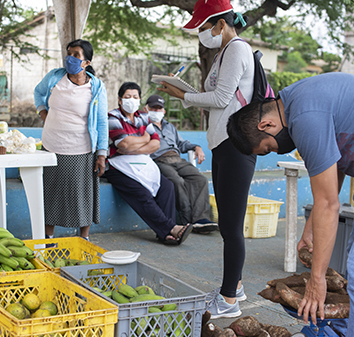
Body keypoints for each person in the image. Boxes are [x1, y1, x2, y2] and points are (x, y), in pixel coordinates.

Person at [226, 72, 354, 337]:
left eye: (268, 147)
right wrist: (310, 229)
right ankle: (344, 332)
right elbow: (333, 166)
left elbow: (329, 204)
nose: (275, 150)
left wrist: (317, 280)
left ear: (266, 124)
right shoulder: (294, 102)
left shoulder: (305, 117)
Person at [157, 0, 253, 317]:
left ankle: (228, 301)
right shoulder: (224, 52)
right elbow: (219, 96)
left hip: (236, 145)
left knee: (231, 226)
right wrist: (183, 91)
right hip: (222, 144)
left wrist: (181, 95)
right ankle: (235, 286)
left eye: (204, 27)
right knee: (227, 223)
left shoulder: (236, 49)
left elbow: (221, 98)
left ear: (221, 24)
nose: (201, 33)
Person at [34, 39, 108, 241]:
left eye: (76, 55)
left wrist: (101, 154)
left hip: (81, 150)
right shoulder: (55, 77)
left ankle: (83, 239)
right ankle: (48, 238)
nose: (70, 58)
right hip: (51, 147)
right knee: (51, 194)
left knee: (82, 195)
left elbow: (102, 122)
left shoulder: (96, 87)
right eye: (69, 53)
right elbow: (38, 92)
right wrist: (43, 112)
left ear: (87, 62)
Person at [104, 82, 193, 245]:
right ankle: (170, 229)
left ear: (139, 100)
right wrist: (145, 138)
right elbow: (123, 144)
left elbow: (156, 143)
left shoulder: (143, 117)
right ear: (120, 100)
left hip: (142, 162)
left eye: (135, 97)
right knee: (142, 193)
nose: (131, 100)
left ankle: (165, 234)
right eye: (127, 97)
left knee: (167, 187)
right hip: (117, 165)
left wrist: (134, 147)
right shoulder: (113, 117)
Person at [145, 94, 217, 233]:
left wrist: (196, 147)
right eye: (153, 108)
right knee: (177, 181)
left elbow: (182, 144)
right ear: (146, 108)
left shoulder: (169, 126)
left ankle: (200, 219)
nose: (156, 111)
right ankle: (187, 220)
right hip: (159, 160)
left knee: (200, 179)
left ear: (164, 111)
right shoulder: (143, 126)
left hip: (177, 159)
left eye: (159, 108)